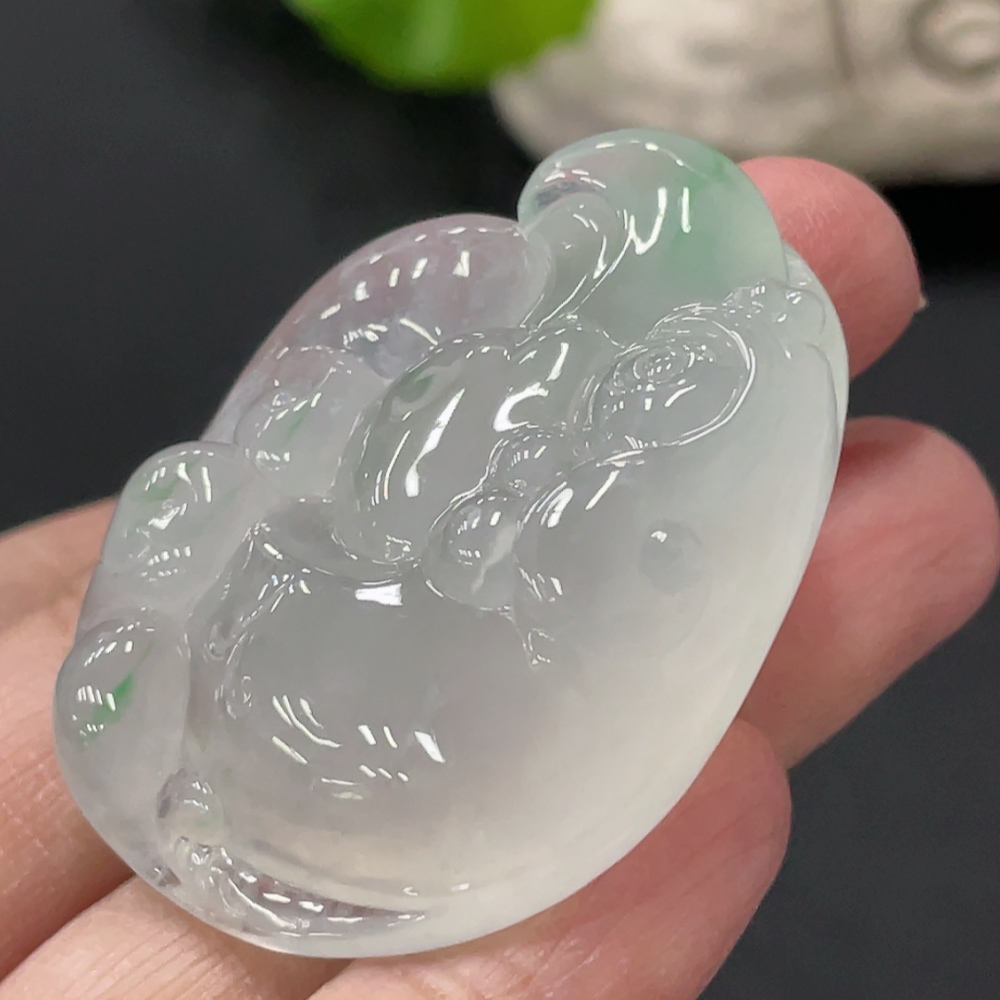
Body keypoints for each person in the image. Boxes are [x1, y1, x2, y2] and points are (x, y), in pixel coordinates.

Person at [0, 156, 996, 1000]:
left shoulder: (627, 435)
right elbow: (382, 485)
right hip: (304, 673)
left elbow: (591, 586)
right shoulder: (503, 370)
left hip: (401, 725)